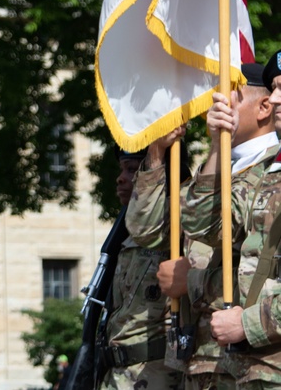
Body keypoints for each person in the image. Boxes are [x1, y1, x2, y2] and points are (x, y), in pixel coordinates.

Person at [135, 63, 277, 390]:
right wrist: (163, 152)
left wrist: (194, 281)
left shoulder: (271, 171)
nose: (215, 103)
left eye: (230, 95)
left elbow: (256, 268)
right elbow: (165, 227)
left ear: (263, 107)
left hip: (253, 358)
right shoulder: (219, 168)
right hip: (205, 359)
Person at [182, 50, 281, 387]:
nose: (276, 97)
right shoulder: (272, 175)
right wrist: (215, 145)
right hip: (246, 370)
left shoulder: (268, 168)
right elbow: (201, 227)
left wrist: (249, 323)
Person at [101, 138, 184, 390]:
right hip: (117, 372)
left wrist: (156, 153)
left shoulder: (175, 221)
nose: (121, 178)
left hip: (155, 374)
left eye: (132, 169)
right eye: (121, 169)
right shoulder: (123, 233)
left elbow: (150, 226)